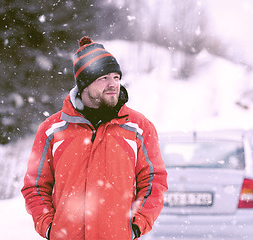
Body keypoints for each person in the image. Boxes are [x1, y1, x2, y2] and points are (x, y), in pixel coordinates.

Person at [21, 36, 168, 240]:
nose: (113, 84)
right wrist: (49, 227)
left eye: (116, 77)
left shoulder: (138, 127)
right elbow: (35, 186)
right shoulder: (52, 130)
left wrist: (137, 224)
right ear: (84, 84)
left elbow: (154, 180)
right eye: (103, 78)